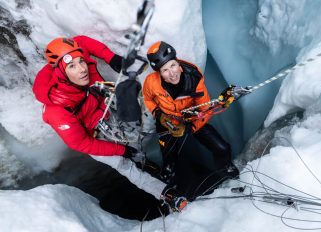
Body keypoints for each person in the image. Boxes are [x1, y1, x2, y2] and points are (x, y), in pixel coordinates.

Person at [143, 41, 245, 212]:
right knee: (170, 163)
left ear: (178, 63)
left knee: (221, 148)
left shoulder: (193, 76)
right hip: (168, 123)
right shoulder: (151, 82)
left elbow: (204, 106)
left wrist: (191, 125)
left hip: (193, 120)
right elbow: (148, 99)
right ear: (159, 73)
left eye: (173, 66)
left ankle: (224, 168)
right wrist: (158, 114)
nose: (171, 73)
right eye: (165, 70)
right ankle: (174, 190)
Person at [33, 35, 136, 159]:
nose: (82, 69)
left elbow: (81, 41)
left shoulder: (72, 57)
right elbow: (81, 143)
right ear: (61, 73)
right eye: (72, 66)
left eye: (81, 61)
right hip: (95, 136)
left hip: (105, 108)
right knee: (126, 164)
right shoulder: (57, 112)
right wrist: (122, 151)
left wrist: (111, 57)